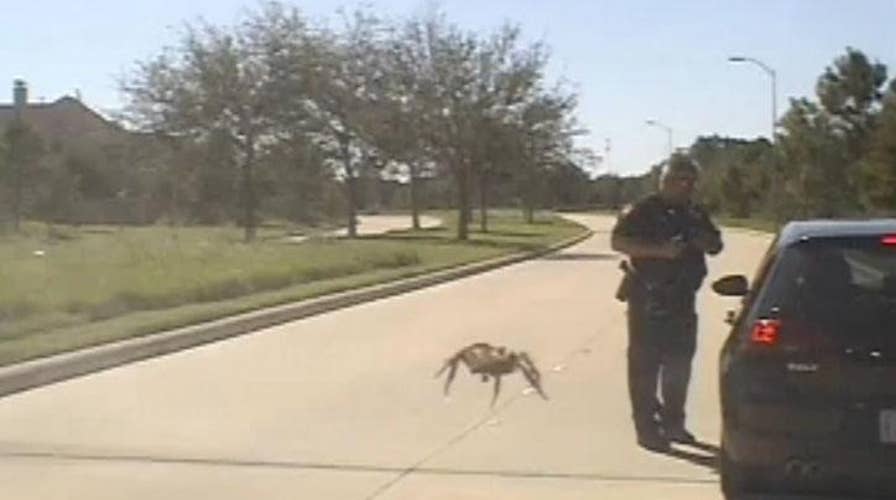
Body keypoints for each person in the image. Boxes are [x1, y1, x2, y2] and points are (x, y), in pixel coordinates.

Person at [611, 153, 723, 452]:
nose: (683, 186)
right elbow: (619, 241)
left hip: (682, 299)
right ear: (663, 181)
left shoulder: (695, 213)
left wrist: (703, 240)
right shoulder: (643, 210)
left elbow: (716, 245)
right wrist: (659, 251)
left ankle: (674, 423)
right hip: (647, 298)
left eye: (689, 181)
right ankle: (646, 428)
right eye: (676, 180)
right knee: (644, 366)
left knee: (679, 364)